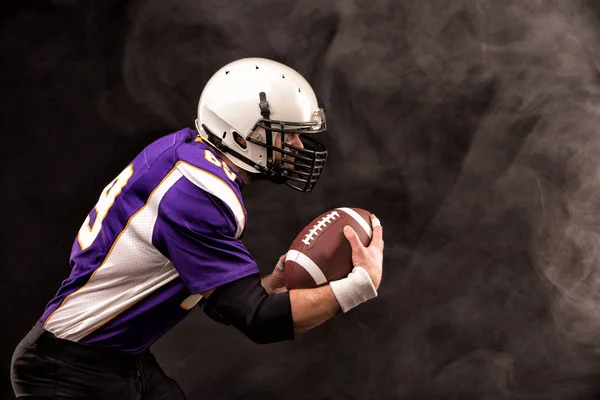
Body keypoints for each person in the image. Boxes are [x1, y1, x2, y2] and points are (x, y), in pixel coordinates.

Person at [10, 57, 385, 399]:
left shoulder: (186, 153)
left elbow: (219, 302)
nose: (298, 145)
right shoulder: (195, 194)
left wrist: (265, 286)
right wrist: (358, 286)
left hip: (118, 357)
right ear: (241, 136)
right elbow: (259, 321)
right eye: (284, 134)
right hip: (66, 369)